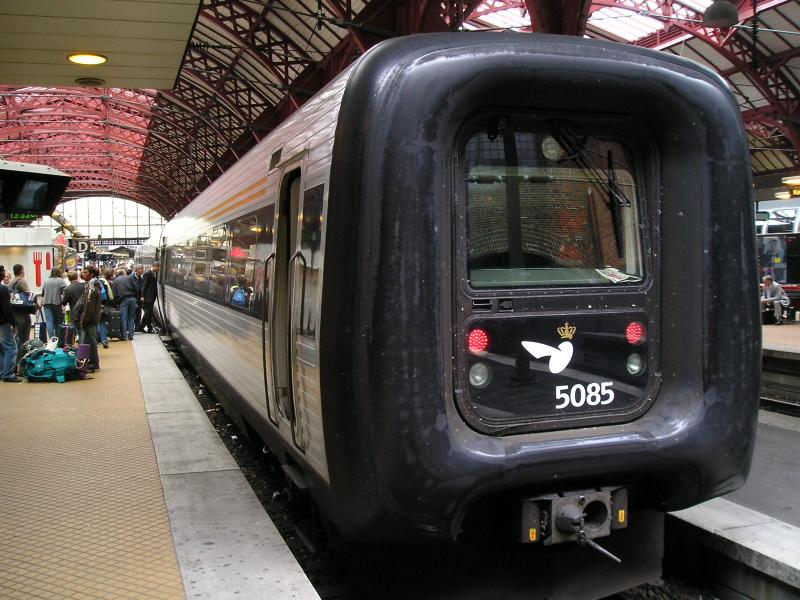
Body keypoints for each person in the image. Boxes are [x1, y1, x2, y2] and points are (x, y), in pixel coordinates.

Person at [80, 266, 103, 370]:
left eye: (85, 272)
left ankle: (94, 362)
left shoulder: (92, 288)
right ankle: (89, 361)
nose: (83, 274)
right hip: (91, 319)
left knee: (91, 341)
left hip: (90, 319)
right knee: (88, 340)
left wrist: (84, 319)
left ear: (91, 274)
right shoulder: (92, 286)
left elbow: (89, 307)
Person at [0, 266, 21, 382]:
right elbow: (6, 308)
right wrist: (14, 322)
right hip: (2, 323)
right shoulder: (3, 289)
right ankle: (8, 374)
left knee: (1, 349)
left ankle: (2, 371)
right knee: (11, 348)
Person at [9, 264, 32, 359]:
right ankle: (20, 362)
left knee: (15, 338)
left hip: (14, 314)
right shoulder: (21, 282)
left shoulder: (11, 283)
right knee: (24, 340)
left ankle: (13, 361)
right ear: (22, 271)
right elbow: (29, 296)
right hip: (23, 315)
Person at [111, 268, 138, 340]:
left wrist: (116, 302)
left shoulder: (116, 281)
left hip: (123, 300)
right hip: (132, 299)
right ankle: (131, 335)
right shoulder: (130, 278)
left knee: (124, 318)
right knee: (132, 317)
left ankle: (124, 336)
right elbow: (136, 288)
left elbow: (114, 293)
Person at [42, 267, 67, 344]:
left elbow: (43, 293)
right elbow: (64, 292)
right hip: (57, 303)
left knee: (49, 322)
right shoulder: (61, 281)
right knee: (58, 322)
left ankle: (52, 340)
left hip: (46, 303)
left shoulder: (46, 281)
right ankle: (57, 339)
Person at [62, 270, 85, 345]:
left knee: (76, 329)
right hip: (85, 310)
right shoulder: (84, 286)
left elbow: (64, 301)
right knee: (83, 329)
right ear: (77, 277)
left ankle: (78, 346)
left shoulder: (67, 289)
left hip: (74, 312)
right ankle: (84, 345)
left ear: (68, 279)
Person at [140, 262, 160, 333]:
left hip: (150, 297)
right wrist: (142, 296)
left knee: (148, 313)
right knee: (148, 313)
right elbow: (144, 285)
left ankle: (142, 326)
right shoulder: (148, 273)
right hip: (148, 297)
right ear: (155, 266)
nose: (159, 269)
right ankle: (149, 328)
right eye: (158, 268)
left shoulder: (151, 273)